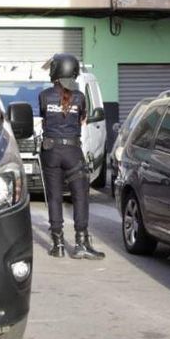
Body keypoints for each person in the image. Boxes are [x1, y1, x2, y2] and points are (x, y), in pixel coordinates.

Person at [38, 54, 104, 260]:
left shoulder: (44, 96)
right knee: (80, 197)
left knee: (55, 197)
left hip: (50, 152)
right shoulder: (80, 97)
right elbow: (82, 120)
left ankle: (58, 244)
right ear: (73, 72)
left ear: (56, 72)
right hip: (73, 152)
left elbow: (44, 116)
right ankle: (81, 242)